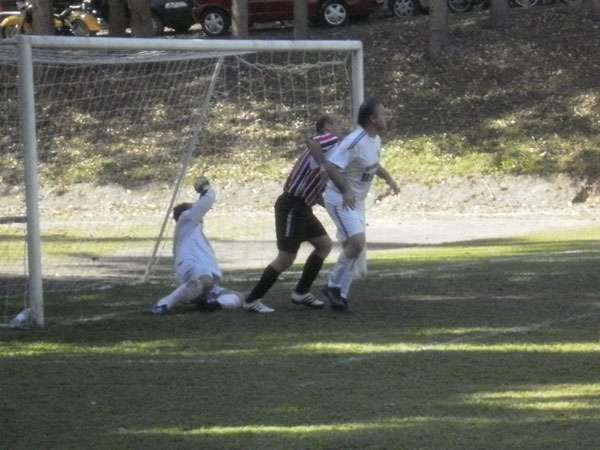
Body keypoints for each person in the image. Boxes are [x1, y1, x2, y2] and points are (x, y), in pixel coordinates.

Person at [242, 114, 344, 313]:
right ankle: (252, 299)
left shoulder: (331, 151)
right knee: (286, 258)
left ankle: (301, 292)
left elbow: (315, 192)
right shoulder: (327, 140)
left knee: (324, 245)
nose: (341, 128)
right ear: (327, 127)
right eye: (338, 123)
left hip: (303, 207)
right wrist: (324, 164)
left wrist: (334, 206)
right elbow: (311, 142)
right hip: (291, 205)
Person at [322, 98, 400, 312]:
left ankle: (340, 295)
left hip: (355, 201)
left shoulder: (375, 140)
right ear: (372, 119)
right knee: (357, 243)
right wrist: (346, 190)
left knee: (353, 248)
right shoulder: (354, 141)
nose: (386, 117)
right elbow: (331, 167)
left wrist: (389, 178)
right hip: (339, 198)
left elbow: (373, 165)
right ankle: (332, 286)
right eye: (383, 114)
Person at [151, 176, 243, 314]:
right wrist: (204, 187)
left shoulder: (190, 229)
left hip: (197, 269)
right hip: (193, 264)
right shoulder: (186, 218)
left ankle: (213, 304)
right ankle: (165, 303)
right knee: (207, 281)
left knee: (240, 297)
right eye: (193, 208)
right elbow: (208, 199)